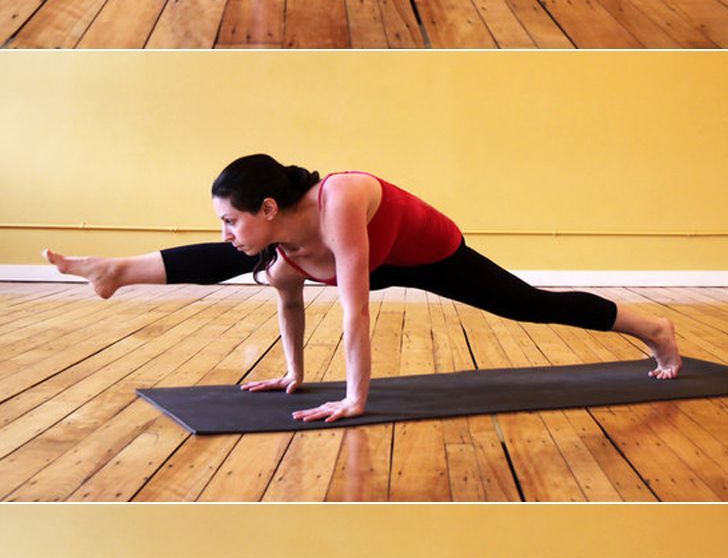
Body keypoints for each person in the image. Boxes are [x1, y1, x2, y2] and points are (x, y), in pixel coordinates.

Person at [45, 155, 683, 424]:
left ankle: (652, 328)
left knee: (529, 306)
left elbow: (354, 310)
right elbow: (288, 302)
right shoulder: (282, 245)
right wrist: (294, 375)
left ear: (269, 206)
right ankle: (118, 271)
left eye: (231, 218)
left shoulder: (339, 202)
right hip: (342, 255)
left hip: (429, 253)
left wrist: (354, 398)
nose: (226, 229)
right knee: (249, 263)